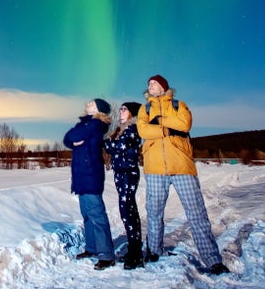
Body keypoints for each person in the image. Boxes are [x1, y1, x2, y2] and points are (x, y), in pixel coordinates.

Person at [137, 75, 229, 275]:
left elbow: (185, 124)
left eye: (154, 83)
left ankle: (213, 260)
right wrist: (169, 128)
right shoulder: (144, 109)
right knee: (154, 212)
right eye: (149, 84)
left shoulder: (179, 105)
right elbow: (143, 130)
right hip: (154, 168)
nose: (150, 86)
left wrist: (159, 121)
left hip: (181, 165)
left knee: (196, 213)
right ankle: (154, 251)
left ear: (163, 86)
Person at [63, 98, 116, 270]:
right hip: (81, 175)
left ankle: (106, 255)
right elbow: (67, 138)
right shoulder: (86, 124)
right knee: (87, 214)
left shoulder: (96, 124)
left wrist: (74, 139)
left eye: (92, 103)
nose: (88, 104)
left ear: (99, 109)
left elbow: (73, 136)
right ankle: (92, 248)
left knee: (97, 215)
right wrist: (73, 141)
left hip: (91, 174)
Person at [103, 101, 144, 269]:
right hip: (120, 172)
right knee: (128, 209)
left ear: (132, 113)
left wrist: (105, 143)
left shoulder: (132, 129)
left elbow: (118, 147)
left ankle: (136, 253)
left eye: (125, 109)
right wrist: (110, 144)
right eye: (121, 108)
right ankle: (134, 248)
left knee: (127, 209)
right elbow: (114, 147)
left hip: (128, 172)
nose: (121, 111)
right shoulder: (120, 130)